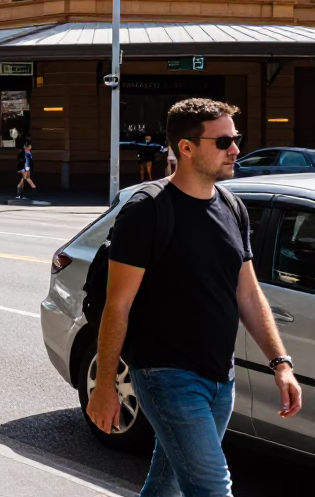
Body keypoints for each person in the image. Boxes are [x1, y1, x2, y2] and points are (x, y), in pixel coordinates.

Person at [87, 98, 302, 496]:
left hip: (222, 377)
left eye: (235, 139)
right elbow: (118, 304)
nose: (236, 149)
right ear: (186, 148)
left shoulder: (233, 207)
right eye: (223, 142)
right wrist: (105, 385)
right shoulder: (147, 211)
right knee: (210, 487)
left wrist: (280, 362)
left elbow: (249, 292)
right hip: (166, 375)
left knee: (167, 481)